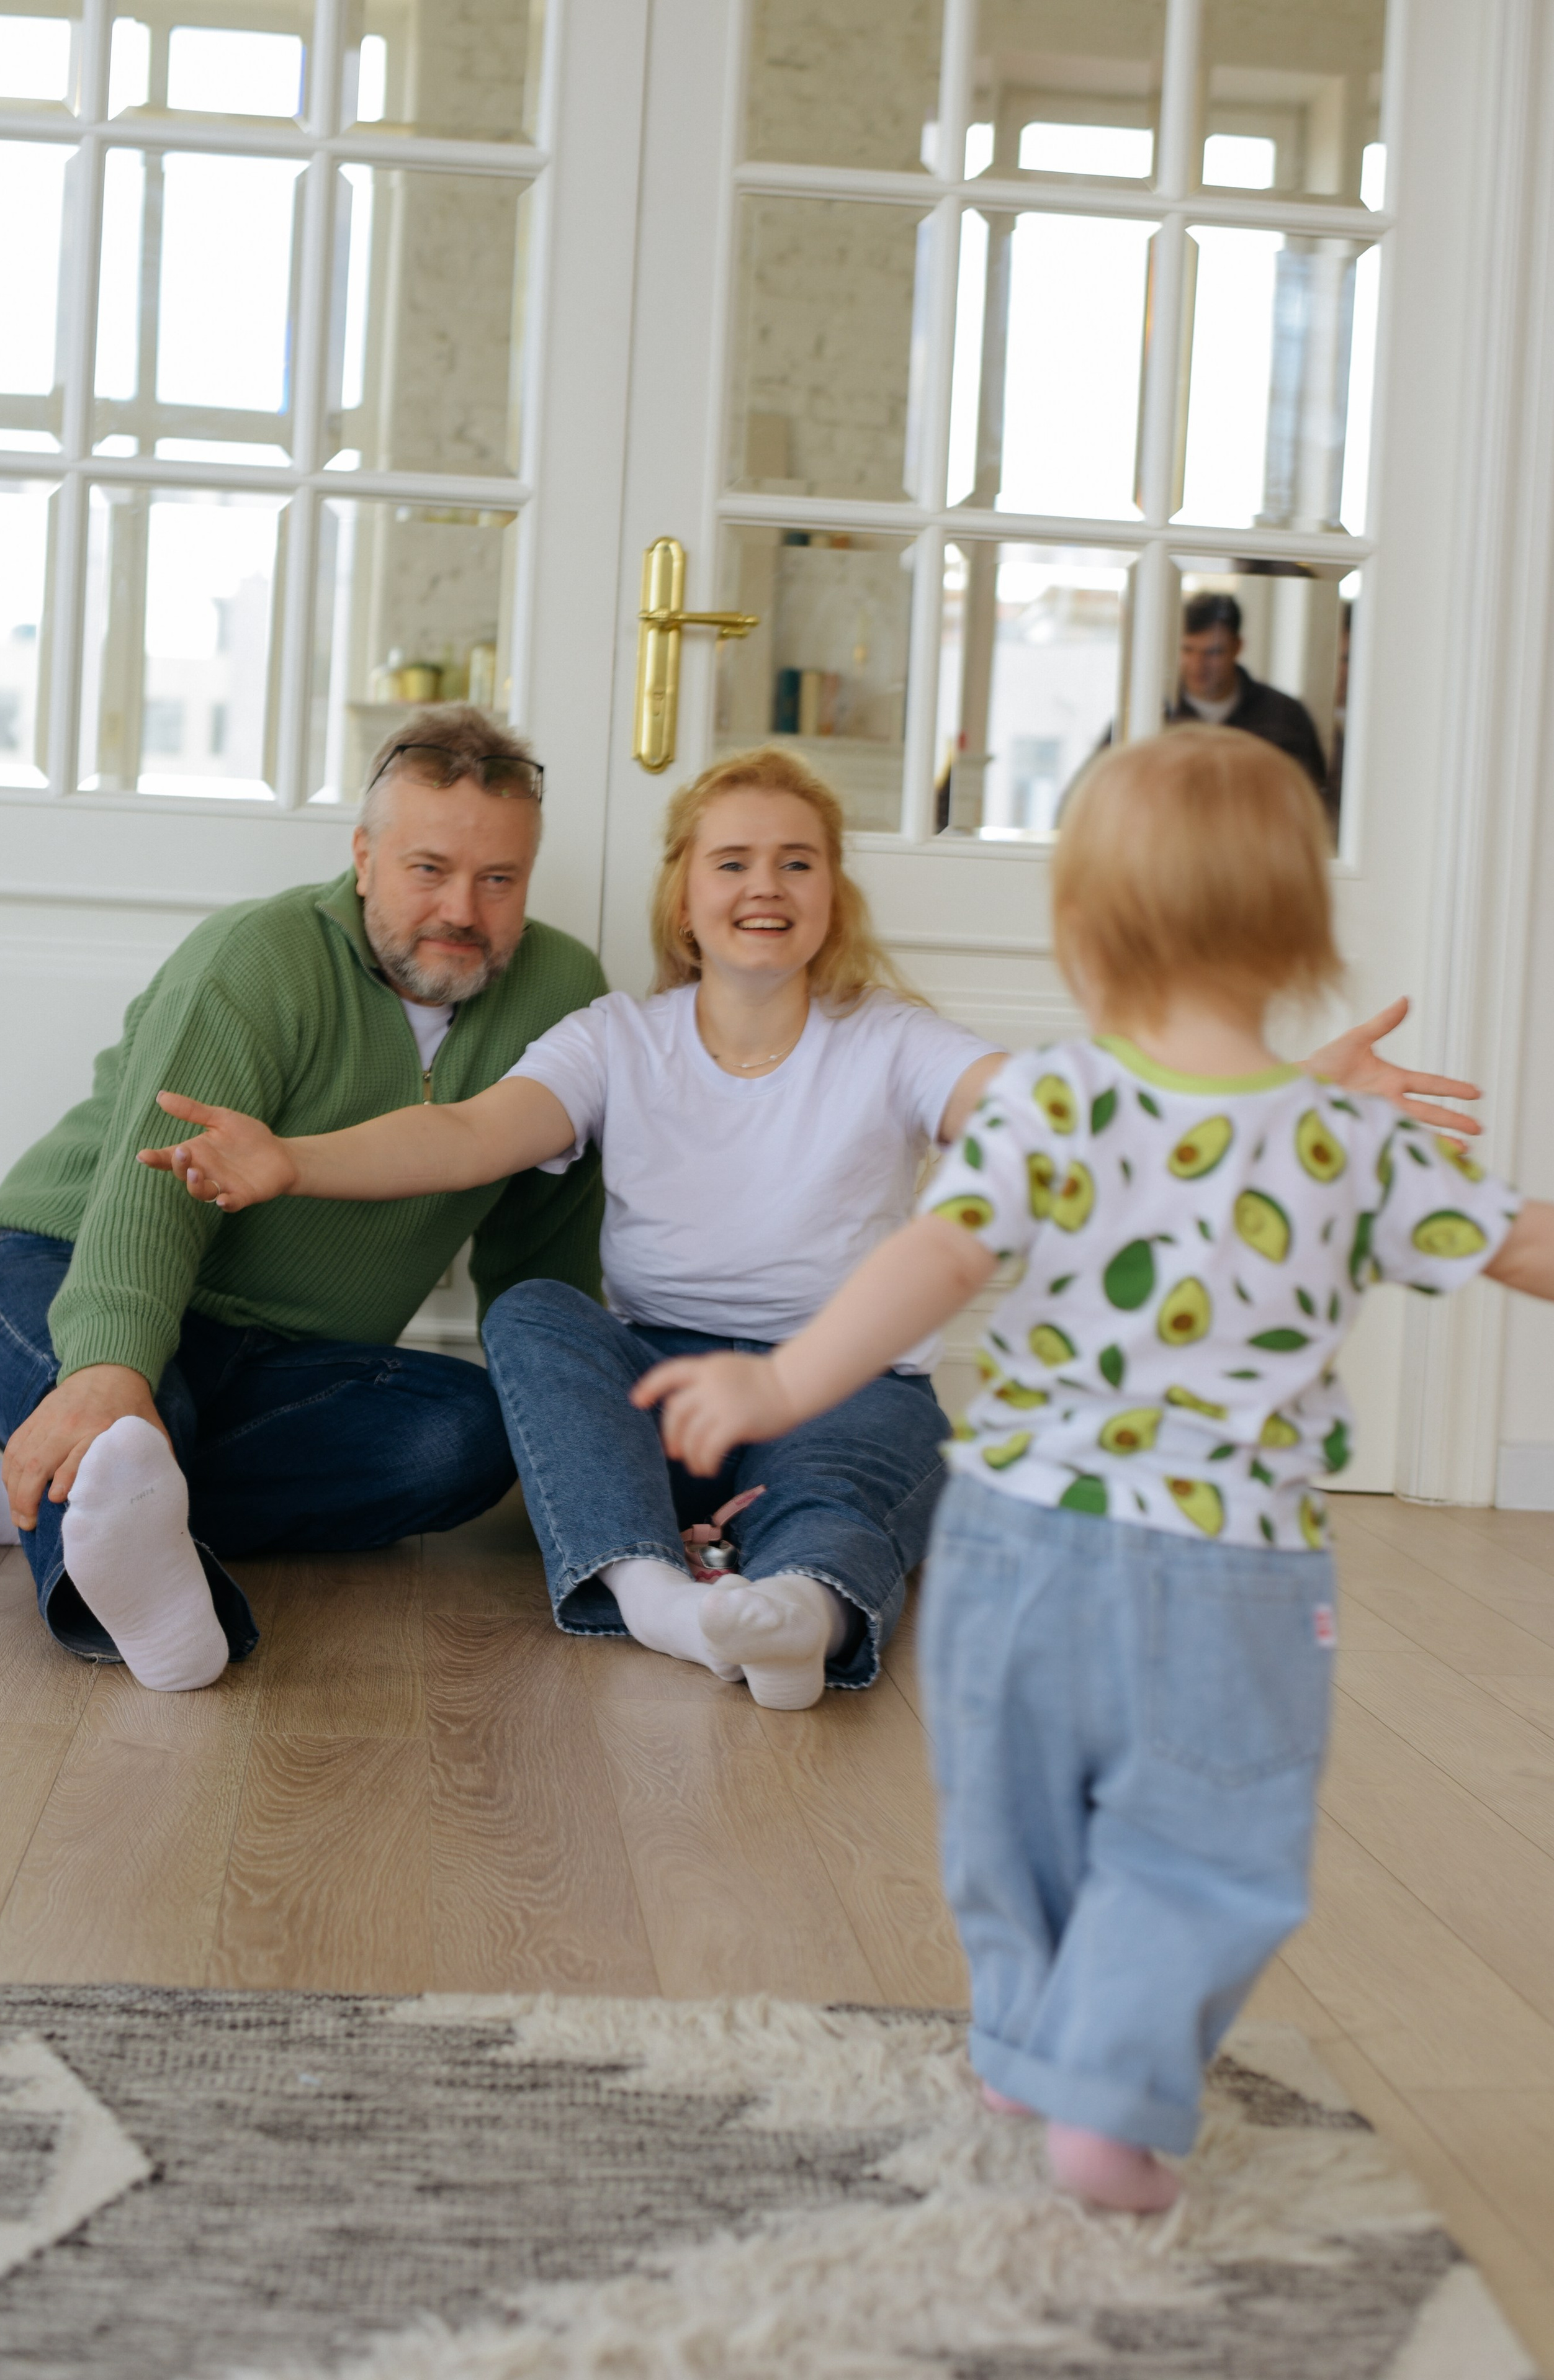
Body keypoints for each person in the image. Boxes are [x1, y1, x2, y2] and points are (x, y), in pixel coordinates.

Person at [629, 725, 1554, 2212]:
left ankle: (1021, 2039)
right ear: (1302, 936)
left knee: (1012, 1809)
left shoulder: (1052, 1104)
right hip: (1227, 1565)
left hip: (1019, 1541)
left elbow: (933, 1256)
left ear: (1079, 930)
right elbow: (1520, 1242)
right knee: (1208, 1833)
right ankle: (1108, 2092)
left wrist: (784, 1378)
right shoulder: (1346, 1141)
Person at [136, 746, 1483, 1712]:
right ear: (684, 894)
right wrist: (289, 1162)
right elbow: (465, 1135)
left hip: (842, 1380)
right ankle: (657, 1598)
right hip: (662, 1391)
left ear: (832, 893)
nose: (763, 885)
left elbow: (1057, 1113)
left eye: (797, 861)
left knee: (850, 1485)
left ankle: (803, 1619)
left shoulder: (888, 1040)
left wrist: (1281, 1097)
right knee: (538, 1317)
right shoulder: (616, 1037)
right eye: (732, 861)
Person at [0, 707, 606, 1691]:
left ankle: (29, 1488)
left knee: (470, 1436)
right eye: (428, 868)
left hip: (284, 1358)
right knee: (129, 1411)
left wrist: (588, 1452)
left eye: (498, 879)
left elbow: (543, 1252)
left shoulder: (562, 990)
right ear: (364, 858)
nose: (461, 910)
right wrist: (108, 1369)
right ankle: (138, 1593)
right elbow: (151, 1194)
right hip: (57, 1260)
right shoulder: (259, 956)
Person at [1170, 592, 1331, 817]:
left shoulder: (1285, 715)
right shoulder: (1158, 713)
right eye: (1188, 650)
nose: (1198, 665)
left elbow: (1313, 801)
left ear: (1237, 647)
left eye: (1213, 652)